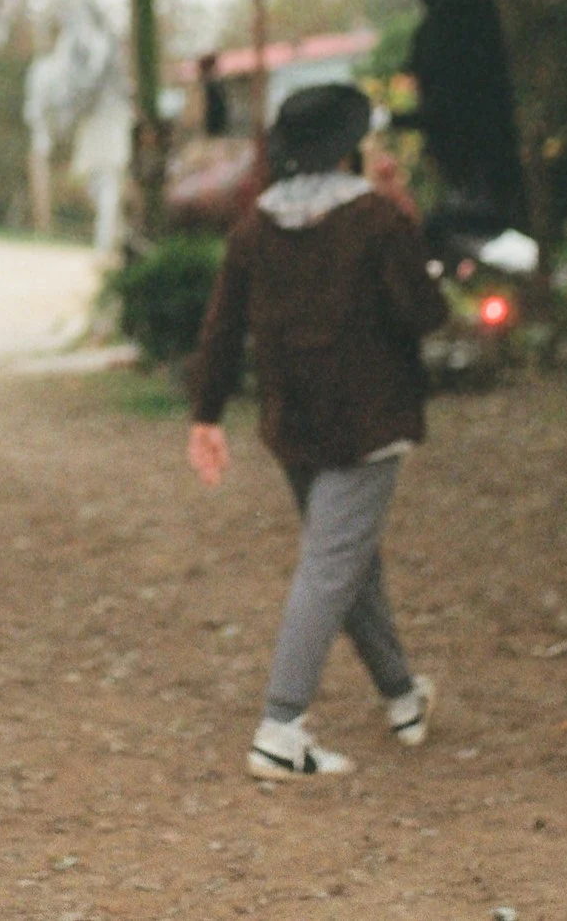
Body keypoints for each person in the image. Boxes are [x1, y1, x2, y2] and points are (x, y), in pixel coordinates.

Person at [186, 84, 448, 779]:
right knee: (333, 565)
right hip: (369, 420)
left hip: (293, 424)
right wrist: (408, 218)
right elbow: (425, 313)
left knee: (348, 560)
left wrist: (206, 414)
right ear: (350, 143)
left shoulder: (253, 227)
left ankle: (402, 698)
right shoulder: (376, 220)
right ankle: (281, 726)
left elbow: (220, 329)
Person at [397, 0, 526, 242]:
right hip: (497, 152)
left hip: (473, 162)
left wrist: (407, 119)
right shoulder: (485, 8)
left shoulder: (442, 24)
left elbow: (450, 101)